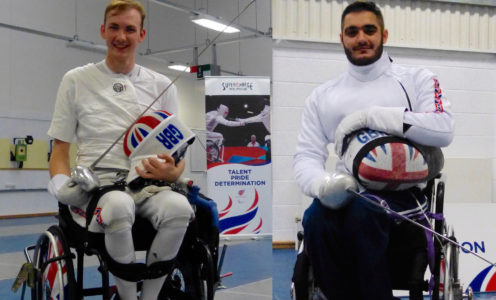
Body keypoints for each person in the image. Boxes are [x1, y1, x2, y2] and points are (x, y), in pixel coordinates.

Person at [292, 1, 454, 299]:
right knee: (314, 218)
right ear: (342, 38)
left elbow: (443, 128)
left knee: (361, 214)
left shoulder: (417, 79)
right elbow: (306, 156)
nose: (361, 38)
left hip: (401, 194)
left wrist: (370, 116)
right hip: (347, 191)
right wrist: (323, 185)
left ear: (384, 34)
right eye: (352, 32)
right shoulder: (323, 96)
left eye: (369, 30)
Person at [46, 1, 193, 299]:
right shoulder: (76, 80)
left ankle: (148, 296)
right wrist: (62, 187)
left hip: (151, 186)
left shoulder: (163, 85)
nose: (121, 37)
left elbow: (178, 159)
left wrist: (172, 172)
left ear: (141, 35)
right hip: (98, 189)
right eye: (114, 27)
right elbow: (59, 150)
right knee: (117, 207)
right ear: (103, 30)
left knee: (180, 209)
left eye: (130, 29)